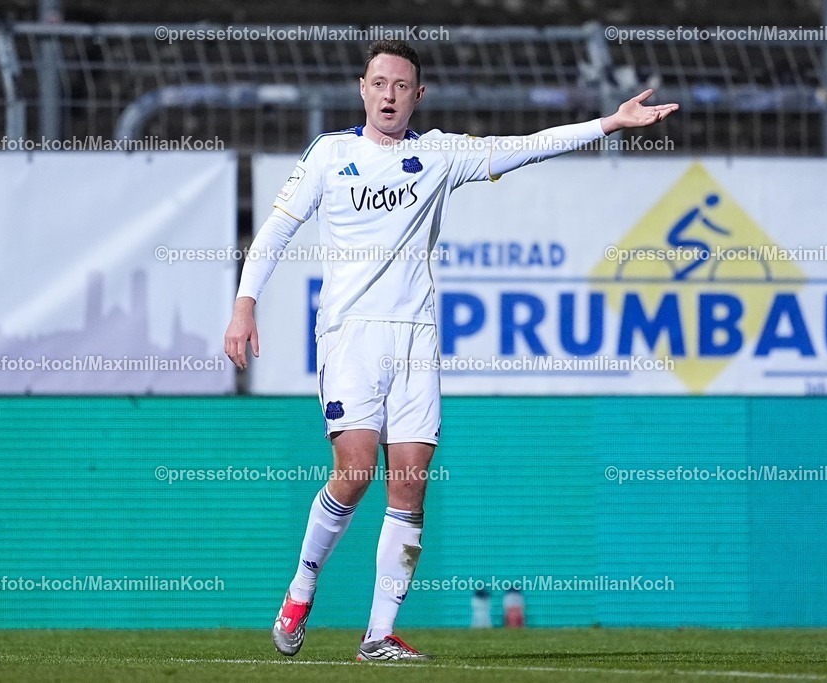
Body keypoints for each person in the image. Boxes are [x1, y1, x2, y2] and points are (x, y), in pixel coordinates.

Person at [224, 39, 678, 662]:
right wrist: (245, 304)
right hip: (350, 334)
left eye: (401, 86)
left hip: (416, 340)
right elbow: (276, 229)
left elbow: (527, 147)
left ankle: (378, 636)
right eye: (379, 83)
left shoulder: (437, 154)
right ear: (362, 88)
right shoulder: (332, 155)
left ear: (418, 95)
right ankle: (301, 591)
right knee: (354, 471)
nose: (388, 95)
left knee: (408, 487)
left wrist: (611, 122)